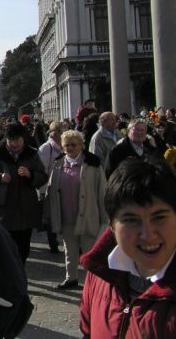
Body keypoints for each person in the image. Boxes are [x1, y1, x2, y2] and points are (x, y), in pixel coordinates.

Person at [80, 158, 176, 337]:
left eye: (159, 217)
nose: (148, 235)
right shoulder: (99, 273)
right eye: (131, 220)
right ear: (112, 227)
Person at [0, 122, 48, 264]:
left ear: (23, 139)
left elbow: (43, 176)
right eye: (11, 140)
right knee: (7, 248)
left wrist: (31, 175)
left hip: (27, 208)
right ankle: (12, 276)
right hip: (5, 210)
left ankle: (19, 273)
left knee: (23, 249)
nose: (14, 144)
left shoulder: (31, 154)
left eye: (17, 140)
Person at [46, 130, 107, 289]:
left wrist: (105, 218)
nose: (70, 148)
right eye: (67, 145)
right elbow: (52, 190)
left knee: (89, 251)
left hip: (88, 215)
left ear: (81, 145)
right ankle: (71, 278)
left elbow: (102, 192)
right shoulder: (58, 164)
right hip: (66, 216)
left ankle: (91, 282)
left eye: (74, 145)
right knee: (69, 251)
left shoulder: (92, 163)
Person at [36, 121, 64, 254]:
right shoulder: (46, 148)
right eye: (56, 131)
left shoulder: (66, 145)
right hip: (50, 188)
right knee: (50, 217)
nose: (58, 134)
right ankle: (53, 243)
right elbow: (42, 170)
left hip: (65, 186)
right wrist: (43, 189)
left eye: (60, 131)